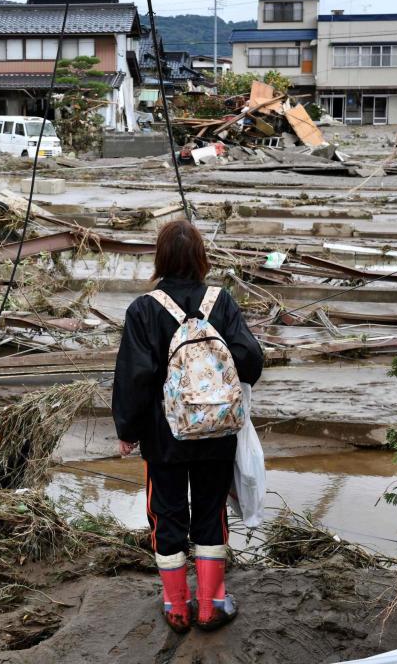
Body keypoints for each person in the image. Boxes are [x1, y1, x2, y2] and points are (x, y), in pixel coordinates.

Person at [112, 220, 264, 633]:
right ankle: (212, 603)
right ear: (201, 258)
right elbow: (251, 361)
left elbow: (134, 377)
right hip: (218, 432)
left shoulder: (144, 309)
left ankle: (176, 605)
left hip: (165, 438)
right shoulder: (223, 302)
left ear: (160, 259)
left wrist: (127, 430)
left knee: (166, 513)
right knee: (212, 511)